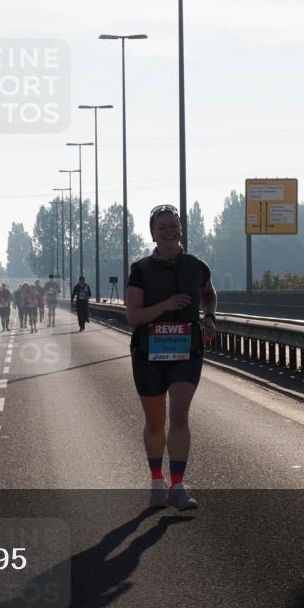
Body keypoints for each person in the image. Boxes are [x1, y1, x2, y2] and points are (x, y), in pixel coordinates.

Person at [126, 204, 216, 511]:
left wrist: (209, 318)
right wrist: (164, 306)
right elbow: (133, 316)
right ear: (152, 234)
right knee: (155, 422)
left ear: (181, 229)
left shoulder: (196, 266)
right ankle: (157, 481)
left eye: (173, 225)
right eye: (162, 227)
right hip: (148, 353)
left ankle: (177, 486)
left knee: (179, 415)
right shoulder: (140, 270)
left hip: (186, 351)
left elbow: (209, 294)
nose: (169, 231)